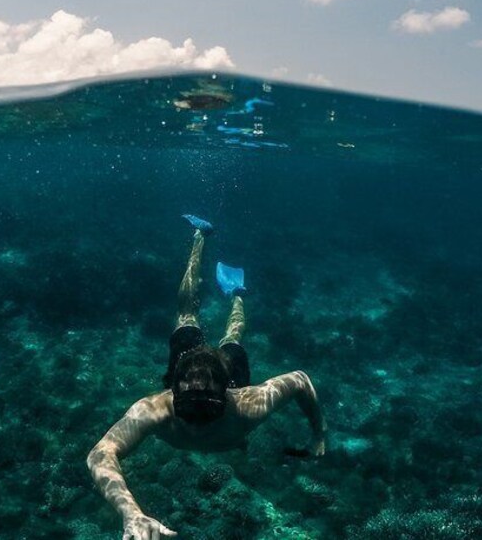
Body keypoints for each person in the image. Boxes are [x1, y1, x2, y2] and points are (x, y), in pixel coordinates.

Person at [86, 215, 327, 540]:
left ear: (226, 395)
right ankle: (201, 235)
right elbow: (100, 454)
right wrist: (132, 514)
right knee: (187, 307)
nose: (198, 417)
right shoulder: (156, 409)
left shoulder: (246, 403)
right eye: (190, 404)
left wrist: (318, 435)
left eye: (205, 404)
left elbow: (299, 379)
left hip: (226, 375)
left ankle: (237, 293)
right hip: (191, 366)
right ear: (173, 391)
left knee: (233, 336)